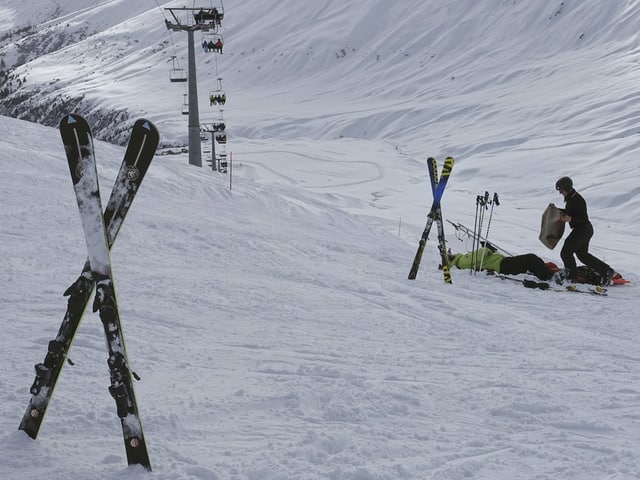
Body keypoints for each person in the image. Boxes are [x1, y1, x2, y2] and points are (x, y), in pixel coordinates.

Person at [555, 176, 615, 285]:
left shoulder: (577, 199)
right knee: (582, 254)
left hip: (582, 229)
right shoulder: (571, 199)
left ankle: (571, 278)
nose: (560, 193)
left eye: (561, 190)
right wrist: (556, 210)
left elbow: (583, 218)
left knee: (566, 252)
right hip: (584, 230)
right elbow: (570, 211)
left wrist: (571, 219)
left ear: (567, 188)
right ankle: (607, 271)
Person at [447, 247, 554, 281]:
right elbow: (478, 257)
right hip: (501, 265)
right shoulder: (461, 261)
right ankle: (549, 276)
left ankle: (548, 272)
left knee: (530, 262)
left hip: (502, 263)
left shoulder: (461, 259)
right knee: (530, 258)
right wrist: (486, 248)